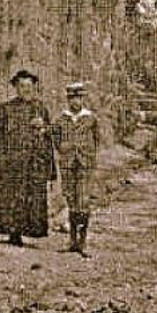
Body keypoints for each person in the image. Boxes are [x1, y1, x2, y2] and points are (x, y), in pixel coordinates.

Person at [0, 68, 55, 246]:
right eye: (22, 86)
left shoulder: (40, 109)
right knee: (0, 196)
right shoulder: (6, 108)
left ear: (34, 87)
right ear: (16, 88)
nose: (25, 89)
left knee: (22, 199)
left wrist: (43, 128)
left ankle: (16, 233)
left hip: (29, 164)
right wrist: (4, 152)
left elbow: (48, 137)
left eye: (29, 86)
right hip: (8, 162)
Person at [52, 81, 100, 257]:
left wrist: (88, 154)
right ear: (67, 100)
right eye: (72, 98)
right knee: (71, 199)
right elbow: (56, 139)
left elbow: (96, 139)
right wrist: (64, 150)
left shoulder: (90, 119)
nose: (75, 102)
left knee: (83, 200)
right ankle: (72, 241)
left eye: (78, 98)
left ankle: (82, 242)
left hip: (85, 164)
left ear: (82, 99)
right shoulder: (61, 119)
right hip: (68, 163)